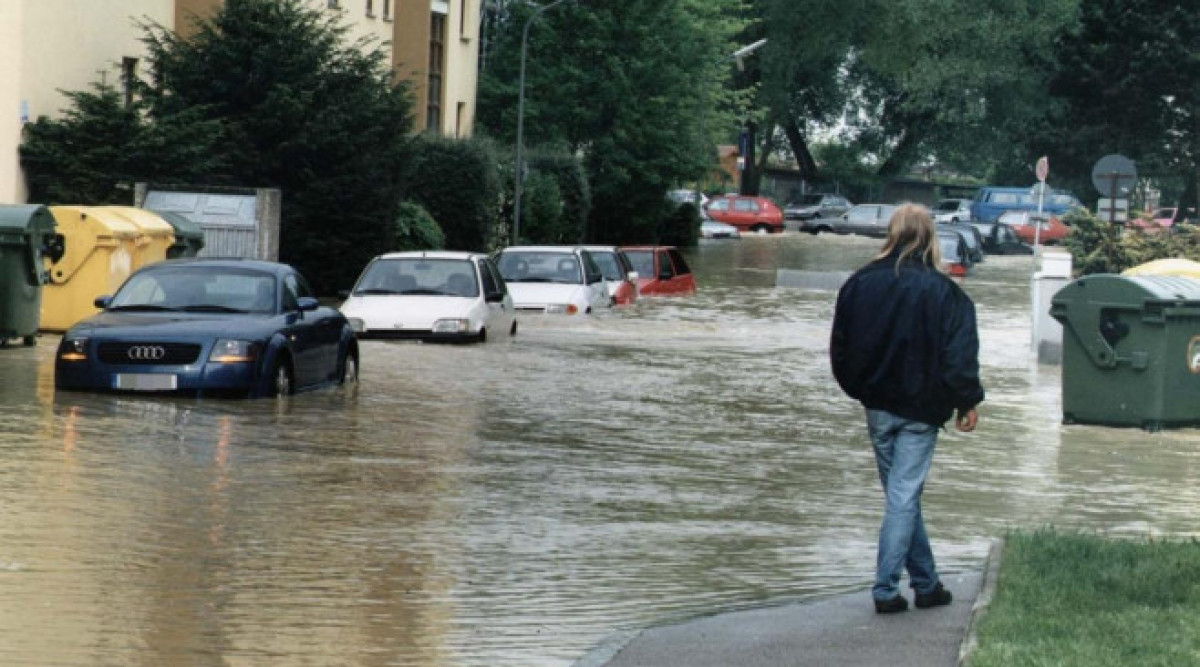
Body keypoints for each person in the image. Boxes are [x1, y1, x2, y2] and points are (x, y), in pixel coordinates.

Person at [829, 203, 985, 614]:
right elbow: (958, 356)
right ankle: (885, 590)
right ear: (930, 236)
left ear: (891, 233)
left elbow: (840, 351)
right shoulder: (946, 292)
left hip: (877, 405)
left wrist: (861, 390)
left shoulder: (859, 284)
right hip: (921, 409)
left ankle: (927, 584)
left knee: (902, 496)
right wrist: (966, 400)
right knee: (903, 496)